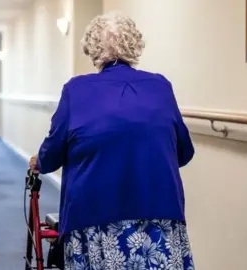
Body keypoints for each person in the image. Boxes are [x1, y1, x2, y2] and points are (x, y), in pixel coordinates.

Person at [29, 12, 196, 270]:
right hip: (160, 215)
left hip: (93, 218)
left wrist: (39, 161)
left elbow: (52, 153)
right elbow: (184, 152)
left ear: (93, 48)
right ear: (134, 44)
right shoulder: (161, 87)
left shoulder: (76, 90)